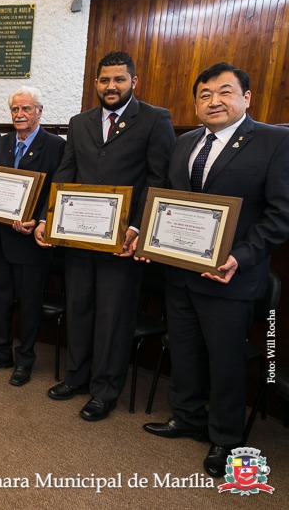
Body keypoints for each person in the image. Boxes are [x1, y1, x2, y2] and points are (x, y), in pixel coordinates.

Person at [142, 63, 289, 477]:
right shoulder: (186, 141)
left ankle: (226, 438)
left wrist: (239, 256)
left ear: (246, 98)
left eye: (225, 92)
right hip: (181, 272)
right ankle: (187, 416)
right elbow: (172, 201)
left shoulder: (275, 142)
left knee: (224, 360)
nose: (214, 101)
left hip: (231, 277)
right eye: (205, 95)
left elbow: (281, 215)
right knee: (184, 350)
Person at [33, 52, 175, 420]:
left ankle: (105, 390)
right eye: (104, 80)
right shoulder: (79, 122)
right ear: (95, 83)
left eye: (119, 80)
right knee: (79, 308)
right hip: (78, 238)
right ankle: (77, 378)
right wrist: (50, 218)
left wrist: (137, 228)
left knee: (113, 316)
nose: (111, 86)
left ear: (133, 82)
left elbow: (158, 179)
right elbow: (65, 175)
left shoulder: (155, 119)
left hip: (121, 243)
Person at [0, 87, 65, 385]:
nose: (19, 115)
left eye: (26, 109)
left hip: (31, 241)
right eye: (15, 110)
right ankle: (0, 353)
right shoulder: (2, 143)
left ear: (40, 111)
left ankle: (25, 359)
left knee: (30, 303)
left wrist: (41, 221)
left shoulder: (56, 146)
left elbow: (57, 191)